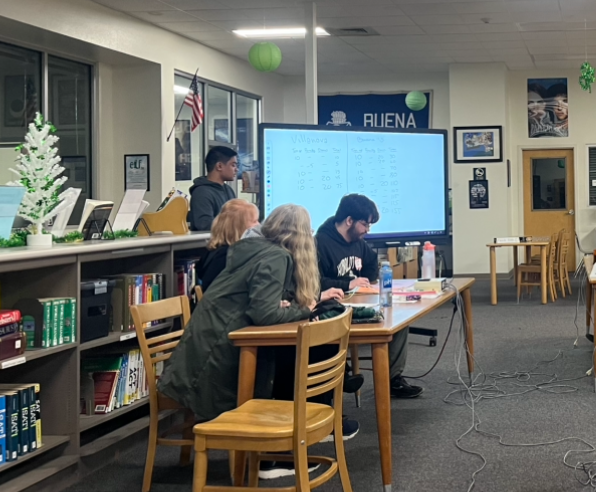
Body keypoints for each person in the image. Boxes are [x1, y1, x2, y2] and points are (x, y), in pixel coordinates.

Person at [159, 204, 350, 476]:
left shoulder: (254, 249)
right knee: (291, 361)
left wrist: (294, 306)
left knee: (288, 358)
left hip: (206, 347)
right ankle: (273, 454)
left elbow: (261, 303)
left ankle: (280, 448)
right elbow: (264, 313)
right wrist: (306, 310)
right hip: (214, 359)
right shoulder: (276, 258)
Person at [315, 194, 422, 399]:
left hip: (358, 300)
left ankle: (394, 379)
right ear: (349, 221)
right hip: (332, 306)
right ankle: (342, 373)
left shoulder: (358, 242)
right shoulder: (321, 242)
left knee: (397, 317)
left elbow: (372, 264)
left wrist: (364, 280)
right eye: (365, 224)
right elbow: (316, 282)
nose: (367, 230)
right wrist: (348, 283)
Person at [196, 199, 259, 287]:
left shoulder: (214, 251)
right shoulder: (227, 257)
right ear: (240, 226)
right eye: (254, 221)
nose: (258, 225)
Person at [188, 145, 239, 231]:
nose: (236, 169)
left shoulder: (228, 189)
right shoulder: (201, 193)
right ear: (219, 166)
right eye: (233, 165)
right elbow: (205, 225)